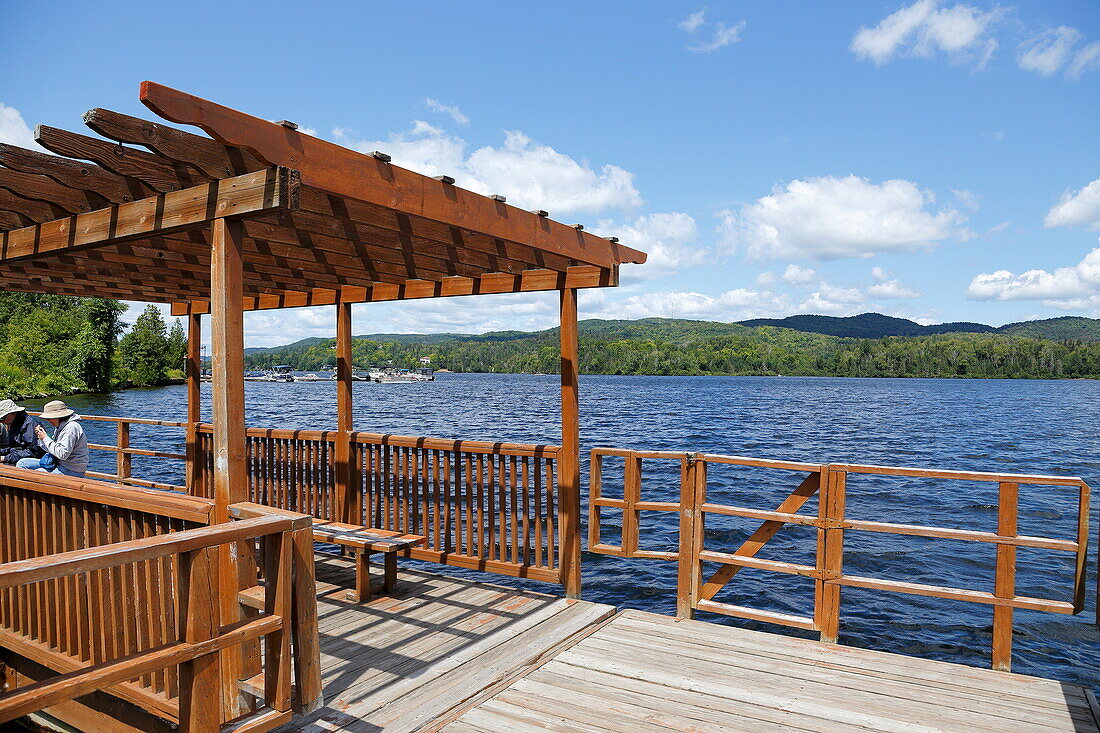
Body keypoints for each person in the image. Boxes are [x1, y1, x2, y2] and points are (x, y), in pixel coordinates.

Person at [16, 400, 88, 478]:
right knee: (22, 463)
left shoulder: (71, 428)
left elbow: (62, 454)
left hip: (71, 469)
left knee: (36, 475)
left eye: (49, 418)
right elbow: (52, 450)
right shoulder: (60, 426)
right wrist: (41, 438)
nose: (47, 420)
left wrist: (45, 438)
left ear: (59, 416)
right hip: (58, 463)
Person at [0, 399, 46, 466]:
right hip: (17, 457)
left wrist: (5, 458)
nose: (1, 422)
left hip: (30, 461)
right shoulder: (14, 423)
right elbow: (14, 448)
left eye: (2, 418)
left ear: (12, 413)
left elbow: (33, 452)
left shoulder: (30, 424)